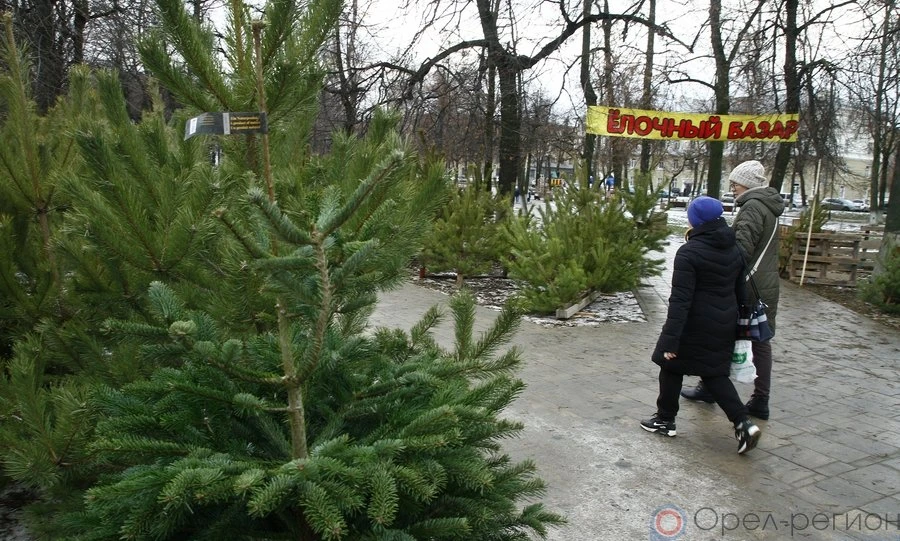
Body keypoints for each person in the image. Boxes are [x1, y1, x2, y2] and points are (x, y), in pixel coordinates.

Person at [641, 196, 762, 454]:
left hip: (694, 324)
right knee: (714, 374)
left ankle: (665, 420)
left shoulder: (689, 252)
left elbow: (680, 300)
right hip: (724, 323)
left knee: (669, 364)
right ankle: (743, 423)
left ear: (695, 221)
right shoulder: (734, 248)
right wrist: (739, 326)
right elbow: (741, 291)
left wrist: (670, 340)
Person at [681, 160, 783, 421]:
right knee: (760, 340)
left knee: (729, 337)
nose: (733, 187)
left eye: (736, 183)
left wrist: (712, 250)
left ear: (747, 184)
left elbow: (741, 250)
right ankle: (755, 397)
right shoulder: (768, 206)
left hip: (749, 285)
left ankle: (723, 391)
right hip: (764, 283)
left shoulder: (752, 207)